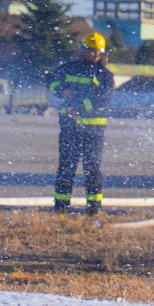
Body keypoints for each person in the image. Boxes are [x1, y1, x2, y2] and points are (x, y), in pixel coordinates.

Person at [48, 32, 113, 213]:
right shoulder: (67, 68)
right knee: (65, 169)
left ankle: (94, 210)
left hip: (93, 131)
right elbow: (51, 82)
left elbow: (102, 99)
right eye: (91, 51)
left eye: (97, 52)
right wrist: (60, 91)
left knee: (92, 170)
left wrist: (79, 106)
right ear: (82, 50)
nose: (94, 55)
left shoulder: (104, 75)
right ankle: (61, 210)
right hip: (70, 128)